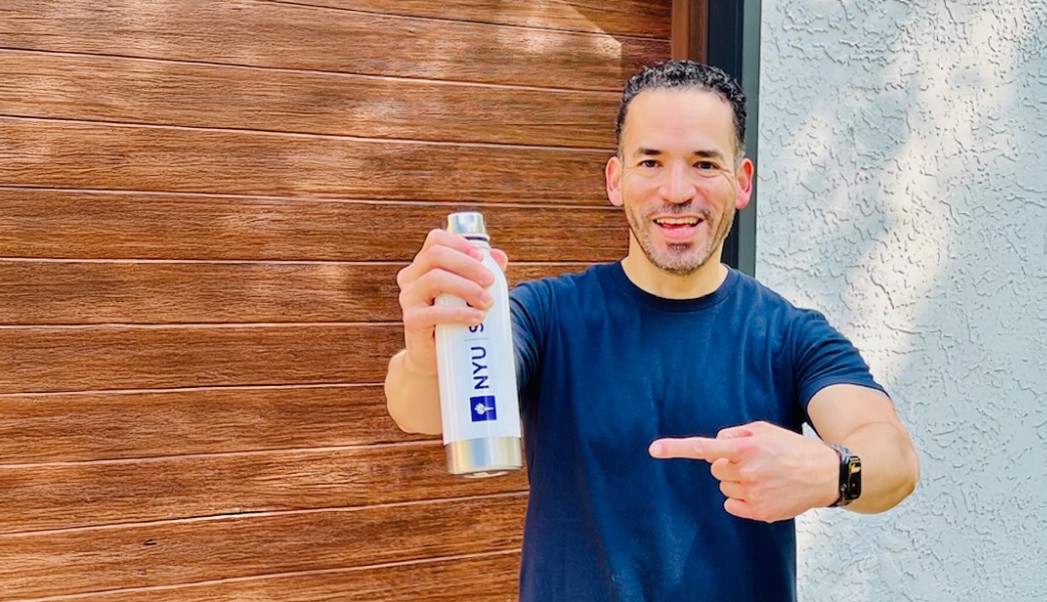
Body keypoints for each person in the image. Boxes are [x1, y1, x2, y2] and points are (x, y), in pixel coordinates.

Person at [385, 60, 919, 601]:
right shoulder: (546, 314)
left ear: (743, 182)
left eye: (705, 163)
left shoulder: (789, 335)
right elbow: (421, 410)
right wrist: (429, 354)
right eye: (651, 161)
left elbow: (893, 459)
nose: (677, 190)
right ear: (617, 180)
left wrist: (830, 472)